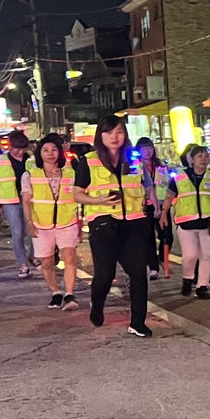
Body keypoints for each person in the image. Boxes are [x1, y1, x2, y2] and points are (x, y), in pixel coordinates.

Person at [72, 114, 154, 337]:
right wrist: (98, 200)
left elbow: (144, 185)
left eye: (119, 132)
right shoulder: (89, 161)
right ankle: (97, 304)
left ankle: (138, 322)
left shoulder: (133, 159)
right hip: (104, 223)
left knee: (138, 273)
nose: (114, 137)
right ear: (100, 135)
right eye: (108, 132)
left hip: (135, 222)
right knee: (105, 274)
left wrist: (151, 204)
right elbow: (77, 194)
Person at [20, 133, 81, 309]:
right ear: (40, 153)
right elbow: (26, 201)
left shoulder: (71, 173)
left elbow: (78, 197)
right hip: (41, 224)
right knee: (47, 263)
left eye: (54, 150)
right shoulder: (30, 175)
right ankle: (55, 292)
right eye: (45, 150)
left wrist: (79, 222)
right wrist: (29, 223)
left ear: (60, 152)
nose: (50, 153)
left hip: (67, 222)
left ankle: (69, 294)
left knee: (69, 257)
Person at [160, 143, 210, 299]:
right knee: (190, 256)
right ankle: (187, 279)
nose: (203, 159)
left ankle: (202, 286)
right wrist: (163, 214)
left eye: (206, 156)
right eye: (199, 156)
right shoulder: (179, 177)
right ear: (191, 159)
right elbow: (169, 196)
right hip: (186, 224)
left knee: (207, 256)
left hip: (208, 224)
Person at [0, 130, 35, 276]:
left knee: (32, 230)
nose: (20, 152)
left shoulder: (31, 160)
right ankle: (23, 264)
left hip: (29, 200)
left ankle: (32, 256)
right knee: (17, 232)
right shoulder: (1, 160)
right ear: (10, 146)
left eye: (23, 149)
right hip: (10, 201)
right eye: (17, 149)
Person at [136, 137, 172, 281]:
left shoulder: (161, 165)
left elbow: (168, 183)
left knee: (167, 235)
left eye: (149, 148)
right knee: (148, 237)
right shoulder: (135, 166)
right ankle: (153, 268)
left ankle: (161, 257)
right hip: (144, 205)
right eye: (144, 149)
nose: (147, 151)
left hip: (161, 205)